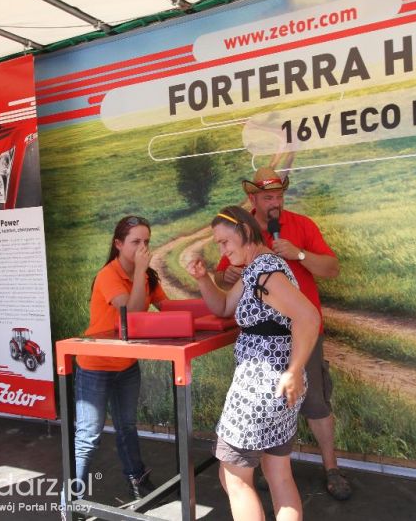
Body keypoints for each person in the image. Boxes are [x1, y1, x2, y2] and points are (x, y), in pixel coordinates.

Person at [213, 165, 352, 500]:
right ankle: (262, 469)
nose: (275, 202)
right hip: (264, 342)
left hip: (302, 332)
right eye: (267, 197)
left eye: (279, 195)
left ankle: (331, 469)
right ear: (253, 199)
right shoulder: (238, 233)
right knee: (276, 429)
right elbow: (224, 286)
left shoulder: (301, 225)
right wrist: (226, 276)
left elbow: (332, 268)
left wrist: (300, 254)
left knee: (315, 399)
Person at [187, 206, 320, 521]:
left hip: (261, 388)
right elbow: (222, 306)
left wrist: (294, 369)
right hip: (277, 388)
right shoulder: (256, 270)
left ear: (245, 231)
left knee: (233, 477)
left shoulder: (265, 273)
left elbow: (308, 317)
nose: (221, 249)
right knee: (278, 475)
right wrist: (203, 278)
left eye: (224, 241)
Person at [73, 215, 167, 500]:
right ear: (118, 244)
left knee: (127, 425)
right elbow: (132, 315)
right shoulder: (108, 275)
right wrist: (140, 271)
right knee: (89, 435)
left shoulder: (148, 276)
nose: (143, 247)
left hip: (126, 365)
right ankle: (72, 498)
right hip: (96, 365)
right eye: (135, 241)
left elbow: (168, 307)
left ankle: (136, 480)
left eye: (146, 241)